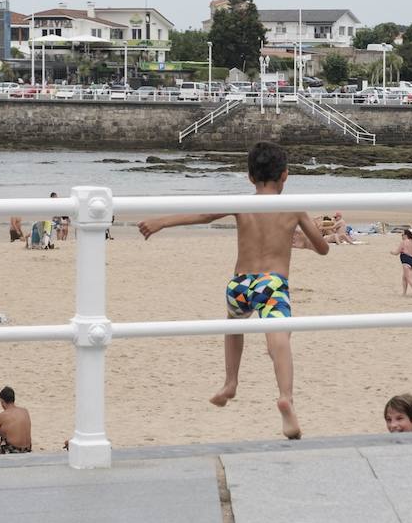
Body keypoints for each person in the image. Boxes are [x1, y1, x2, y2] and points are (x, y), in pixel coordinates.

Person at [138, 141, 329, 440]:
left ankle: (230, 382)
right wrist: (304, 241)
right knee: (280, 339)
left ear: (250, 177)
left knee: (234, 323)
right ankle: (285, 398)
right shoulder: (294, 209)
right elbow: (323, 248)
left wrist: (161, 222)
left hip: (240, 283)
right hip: (272, 282)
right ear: (286, 175)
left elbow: (202, 216)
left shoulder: (243, 204)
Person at [392, 228, 412, 297]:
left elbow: (397, 252)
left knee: (408, 278)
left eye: (402, 235)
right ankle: (404, 293)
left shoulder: (403, 242)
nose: (401, 236)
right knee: (404, 277)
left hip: (406, 261)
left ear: (406, 235)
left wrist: (392, 252)